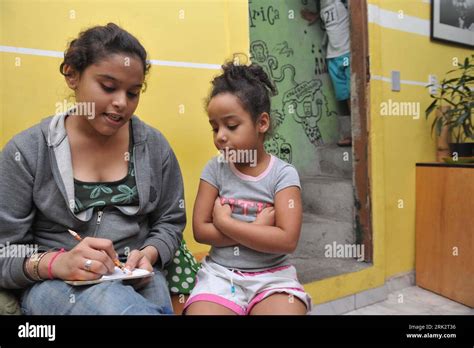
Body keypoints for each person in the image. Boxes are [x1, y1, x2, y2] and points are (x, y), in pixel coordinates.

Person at [0, 23, 186, 315]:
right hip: (58, 282)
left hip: (135, 276)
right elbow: (5, 251)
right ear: (72, 74)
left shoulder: (154, 146)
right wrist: (57, 263)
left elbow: (170, 221)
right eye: (108, 87)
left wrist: (149, 253)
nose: (121, 104)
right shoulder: (27, 151)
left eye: (134, 92)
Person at [184, 62, 312, 315]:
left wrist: (227, 224)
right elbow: (200, 230)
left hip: (273, 280)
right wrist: (256, 230)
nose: (220, 136)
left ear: (261, 123)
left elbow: (286, 240)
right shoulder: (215, 169)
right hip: (220, 275)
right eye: (214, 127)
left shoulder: (283, 175)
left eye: (231, 126)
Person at [302, 0, 352, 146]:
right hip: (333, 56)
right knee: (344, 96)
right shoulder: (323, 3)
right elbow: (331, 16)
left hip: (348, 53)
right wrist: (316, 16)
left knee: (353, 95)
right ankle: (353, 135)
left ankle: (359, 135)